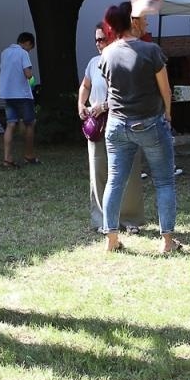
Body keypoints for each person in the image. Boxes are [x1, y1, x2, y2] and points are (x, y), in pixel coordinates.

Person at [100, 2, 180, 254]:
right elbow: (165, 89)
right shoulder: (151, 51)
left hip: (116, 125)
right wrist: (167, 113)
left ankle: (111, 238)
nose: (146, 22)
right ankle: (167, 242)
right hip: (149, 123)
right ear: (133, 21)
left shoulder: (107, 53)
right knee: (165, 181)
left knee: (115, 181)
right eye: (143, 18)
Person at [78, 26, 143, 233]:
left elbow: (129, 93)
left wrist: (103, 105)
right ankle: (102, 220)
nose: (99, 43)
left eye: (102, 39)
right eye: (96, 40)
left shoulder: (124, 60)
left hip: (123, 121)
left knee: (128, 171)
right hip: (97, 124)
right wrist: (81, 104)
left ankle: (130, 218)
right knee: (98, 170)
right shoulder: (93, 63)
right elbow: (85, 86)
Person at [0, 31, 39, 168]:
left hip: (7, 94)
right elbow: (28, 75)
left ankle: (7, 159)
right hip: (22, 95)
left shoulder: (5, 52)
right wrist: (32, 77)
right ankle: (29, 155)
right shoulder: (23, 53)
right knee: (30, 123)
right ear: (27, 43)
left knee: (10, 124)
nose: (29, 50)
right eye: (30, 47)